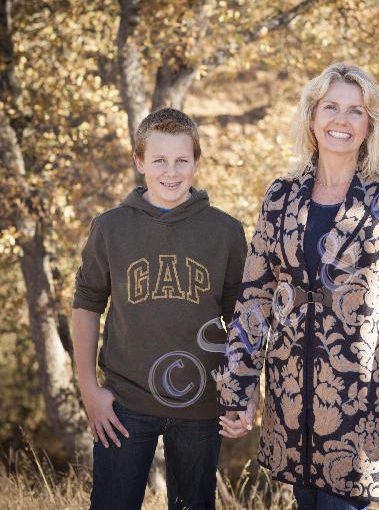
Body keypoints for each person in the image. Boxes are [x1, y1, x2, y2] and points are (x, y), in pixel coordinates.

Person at [217, 63, 379, 509]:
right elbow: (255, 296)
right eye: (331, 107)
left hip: (363, 401)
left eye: (355, 110)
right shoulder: (281, 196)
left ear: (370, 123)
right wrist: (239, 387)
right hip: (291, 398)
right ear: (312, 117)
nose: (342, 119)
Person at [71, 107, 248, 510]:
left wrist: (242, 392)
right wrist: (89, 390)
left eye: (182, 160)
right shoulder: (110, 227)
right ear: (139, 161)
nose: (171, 171)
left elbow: (242, 321)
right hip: (124, 404)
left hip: (201, 405)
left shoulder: (225, 232)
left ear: (197, 162)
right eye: (159, 160)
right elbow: (86, 305)